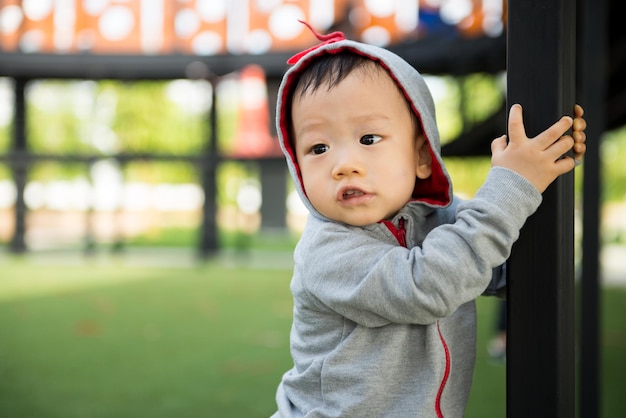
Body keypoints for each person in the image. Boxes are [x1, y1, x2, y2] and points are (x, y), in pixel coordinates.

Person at [271, 23, 587, 418]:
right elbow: (428, 286)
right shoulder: (327, 251)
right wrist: (512, 186)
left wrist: (542, 167)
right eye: (318, 147)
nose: (343, 165)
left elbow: (500, 266)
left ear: (422, 156)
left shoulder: (435, 220)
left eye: (368, 139)